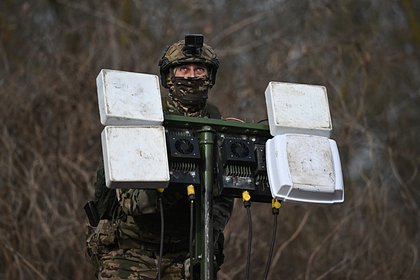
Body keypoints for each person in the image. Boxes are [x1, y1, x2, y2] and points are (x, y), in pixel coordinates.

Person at [86, 35, 234, 279]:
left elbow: (224, 198)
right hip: (132, 251)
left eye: (199, 69)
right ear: (168, 77)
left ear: (210, 77)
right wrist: (178, 182)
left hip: (187, 254)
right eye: (183, 69)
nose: (192, 75)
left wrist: (206, 241)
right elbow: (132, 202)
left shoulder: (216, 125)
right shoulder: (143, 116)